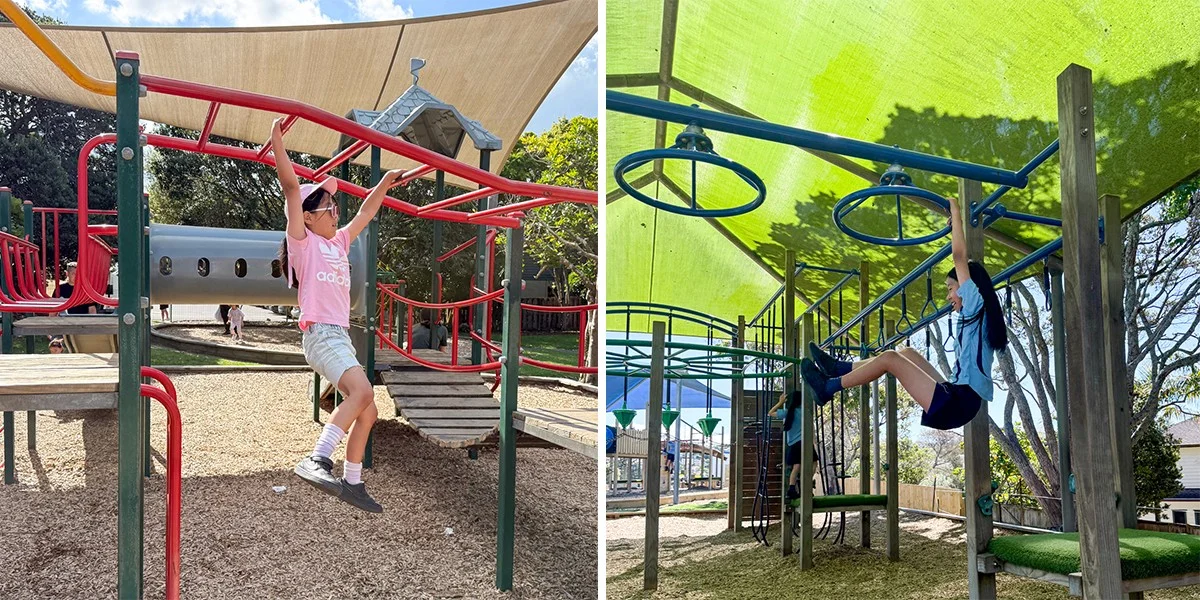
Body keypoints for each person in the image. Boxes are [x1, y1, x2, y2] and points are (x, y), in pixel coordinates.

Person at [274, 117, 404, 513]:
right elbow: (292, 188)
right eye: (327, 207)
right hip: (321, 335)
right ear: (308, 217)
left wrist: (383, 183)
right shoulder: (304, 244)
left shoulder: (338, 243)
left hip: (339, 337)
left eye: (334, 206)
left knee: (369, 412)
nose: (334, 212)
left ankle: (352, 482)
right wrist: (276, 141)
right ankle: (316, 458)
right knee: (362, 393)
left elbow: (365, 213)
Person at [801, 196, 1008, 431]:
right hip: (957, 394)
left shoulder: (975, 304)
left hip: (958, 404)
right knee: (907, 352)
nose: (949, 296)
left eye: (951, 289)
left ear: (966, 287)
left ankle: (828, 388)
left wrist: (956, 213)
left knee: (890, 359)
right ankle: (839, 368)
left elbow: (959, 257)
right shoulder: (977, 315)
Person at [769, 390, 820, 502]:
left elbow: (770, 413)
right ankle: (805, 483)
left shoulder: (788, 412)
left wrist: (780, 402)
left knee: (796, 467)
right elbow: (810, 429)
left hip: (793, 444)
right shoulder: (804, 412)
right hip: (803, 442)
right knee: (814, 463)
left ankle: (791, 489)